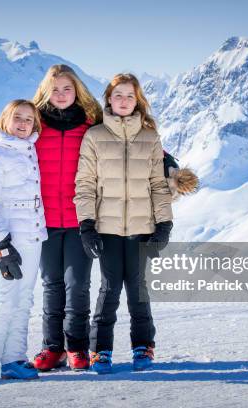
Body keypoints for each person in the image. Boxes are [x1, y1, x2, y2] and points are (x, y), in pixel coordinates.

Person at [74, 73, 173, 374]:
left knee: (138, 289)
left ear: (137, 100)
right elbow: (85, 184)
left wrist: (164, 224)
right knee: (109, 288)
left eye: (130, 96)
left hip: (142, 227)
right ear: (108, 99)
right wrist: (87, 225)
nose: (124, 101)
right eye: (118, 95)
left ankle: (143, 346)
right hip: (106, 228)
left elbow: (159, 184)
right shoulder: (95, 136)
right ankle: (100, 350)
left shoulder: (149, 137)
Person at [31, 64, 103, 371]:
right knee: (51, 284)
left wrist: (165, 160)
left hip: (80, 221)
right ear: (46, 92)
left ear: (77, 91)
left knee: (77, 285)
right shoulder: (34, 125)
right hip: (43, 220)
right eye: (55, 90)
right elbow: (3, 145)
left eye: (67, 89)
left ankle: (76, 347)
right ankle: (53, 348)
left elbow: (127, 144)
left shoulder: (91, 125)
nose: (61, 95)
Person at [0, 99, 47, 385]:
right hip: (8, 237)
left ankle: (14, 359)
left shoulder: (30, 148)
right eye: (18, 117)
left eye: (29, 119)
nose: (23, 124)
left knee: (24, 298)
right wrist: (2, 244)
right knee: (5, 297)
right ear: (5, 119)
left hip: (33, 233)